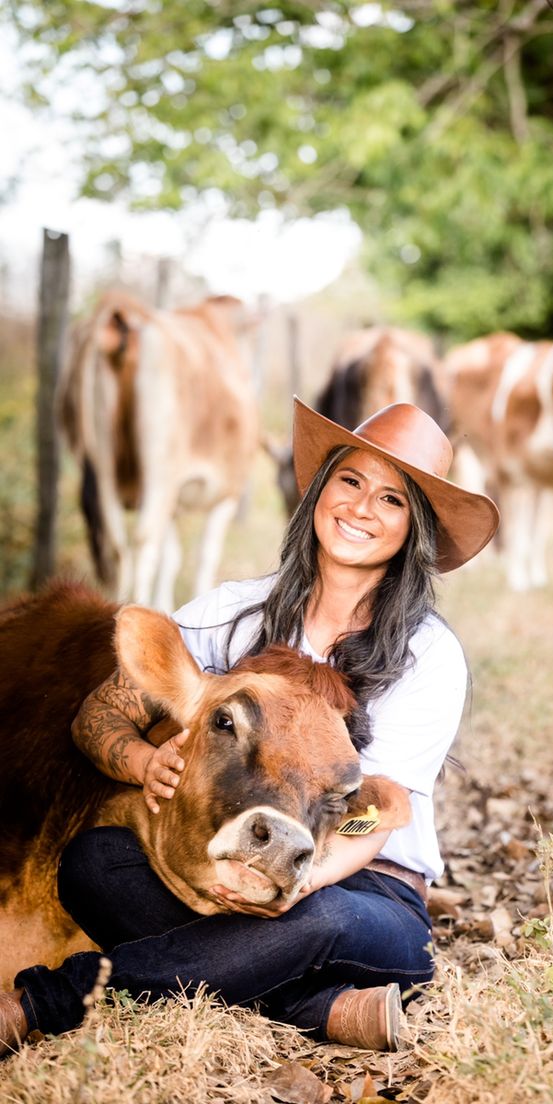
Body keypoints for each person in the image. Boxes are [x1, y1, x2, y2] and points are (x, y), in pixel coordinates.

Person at [0, 397, 498, 1056]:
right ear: (319, 492)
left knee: (324, 920)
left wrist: (296, 882)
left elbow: (376, 820)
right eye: (350, 482)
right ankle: (314, 1006)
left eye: (392, 500)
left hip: (356, 892)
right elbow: (102, 714)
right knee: (94, 863)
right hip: (218, 876)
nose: (361, 508)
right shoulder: (229, 613)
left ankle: (42, 1002)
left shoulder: (428, 655)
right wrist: (140, 762)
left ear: (415, 529)